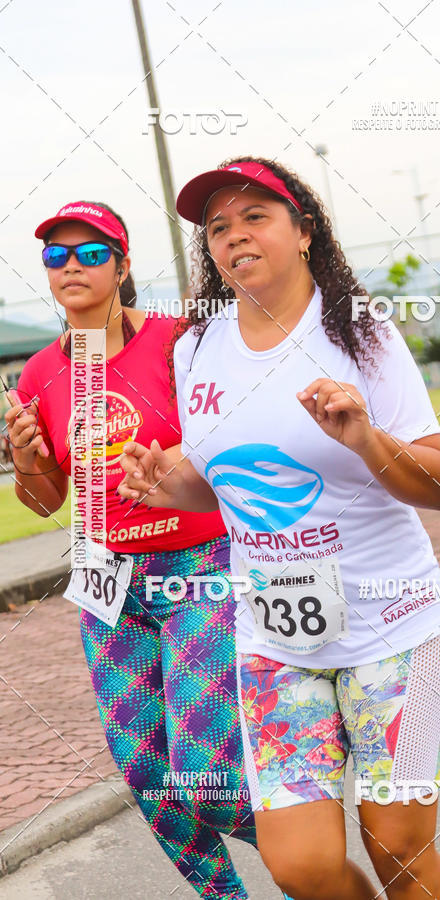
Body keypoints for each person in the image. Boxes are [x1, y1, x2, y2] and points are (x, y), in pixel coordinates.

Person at [118, 157, 440, 900]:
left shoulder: (361, 333)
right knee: (301, 866)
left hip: (395, 629)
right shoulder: (197, 348)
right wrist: (164, 479)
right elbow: (213, 483)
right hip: (276, 642)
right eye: (217, 227)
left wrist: (365, 438)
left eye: (255, 217)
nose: (234, 235)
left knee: (398, 848)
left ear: (304, 231)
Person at [4, 201, 258, 900]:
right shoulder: (40, 375)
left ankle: (311, 866)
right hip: (108, 585)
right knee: (149, 777)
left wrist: (174, 464)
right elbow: (44, 500)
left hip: (200, 568)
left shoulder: (180, 342)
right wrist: (26, 461)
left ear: (121, 267)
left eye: (92, 253)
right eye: (57, 255)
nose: (73, 266)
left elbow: (237, 440)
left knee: (207, 774)